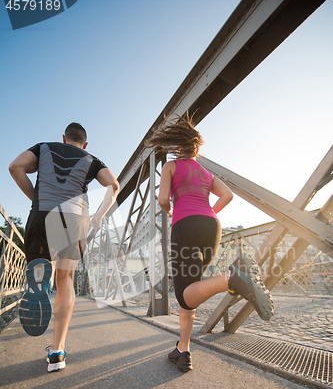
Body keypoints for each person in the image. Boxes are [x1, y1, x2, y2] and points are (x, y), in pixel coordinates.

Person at [145, 113, 273, 372]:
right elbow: (227, 195)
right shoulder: (205, 172)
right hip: (211, 227)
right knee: (191, 292)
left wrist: (171, 211)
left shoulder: (171, 167)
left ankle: (232, 278)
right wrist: (210, 212)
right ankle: (183, 350)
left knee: (183, 293)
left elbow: (161, 200)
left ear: (178, 146)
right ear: (197, 149)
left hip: (186, 226)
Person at [9, 122, 119, 372]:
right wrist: (100, 215)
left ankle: (39, 279)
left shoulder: (44, 147)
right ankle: (57, 352)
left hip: (43, 213)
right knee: (66, 279)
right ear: (85, 143)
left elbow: (15, 167)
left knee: (41, 264)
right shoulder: (92, 159)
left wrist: (36, 199)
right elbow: (114, 185)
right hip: (74, 218)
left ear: (64, 138)